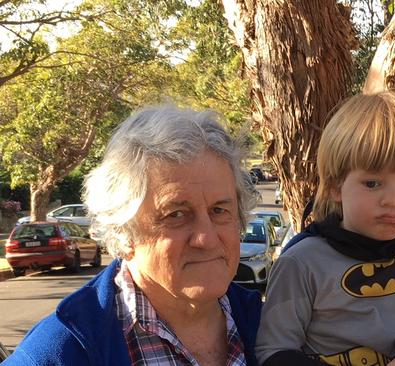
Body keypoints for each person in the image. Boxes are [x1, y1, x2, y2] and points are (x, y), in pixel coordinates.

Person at [4, 106, 262, 365]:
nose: (206, 239)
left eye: (219, 210)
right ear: (124, 232)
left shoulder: (270, 326)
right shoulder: (55, 354)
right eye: (176, 215)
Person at [256, 91, 395, 366]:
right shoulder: (301, 262)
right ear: (335, 187)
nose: (392, 200)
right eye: (372, 183)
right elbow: (274, 351)